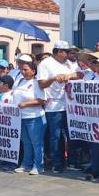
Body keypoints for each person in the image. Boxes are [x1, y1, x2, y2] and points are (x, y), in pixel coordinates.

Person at [37, 41, 76, 173]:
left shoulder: (68, 63)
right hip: (53, 106)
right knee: (56, 136)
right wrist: (53, 79)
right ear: (59, 51)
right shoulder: (45, 64)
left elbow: (79, 74)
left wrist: (69, 76)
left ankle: (71, 160)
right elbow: (41, 83)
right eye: (66, 52)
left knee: (71, 134)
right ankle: (56, 162)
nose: (68, 54)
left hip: (69, 105)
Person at [12, 60, 46, 175]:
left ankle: (38, 165)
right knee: (26, 142)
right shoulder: (19, 81)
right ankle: (26, 164)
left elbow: (41, 100)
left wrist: (26, 104)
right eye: (22, 69)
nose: (23, 72)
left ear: (33, 71)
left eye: (26, 70)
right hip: (21, 117)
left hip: (34, 117)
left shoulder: (36, 83)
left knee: (36, 143)